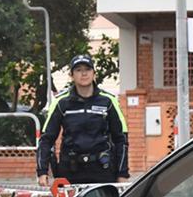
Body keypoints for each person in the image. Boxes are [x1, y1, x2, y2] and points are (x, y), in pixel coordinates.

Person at [37, 54, 130, 186]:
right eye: (78, 70)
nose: (84, 74)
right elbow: (46, 139)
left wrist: (122, 174)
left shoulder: (108, 101)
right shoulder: (61, 102)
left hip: (102, 170)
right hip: (70, 170)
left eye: (87, 69)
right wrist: (42, 171)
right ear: (71, 75)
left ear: (94, 73)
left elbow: (121, 139)